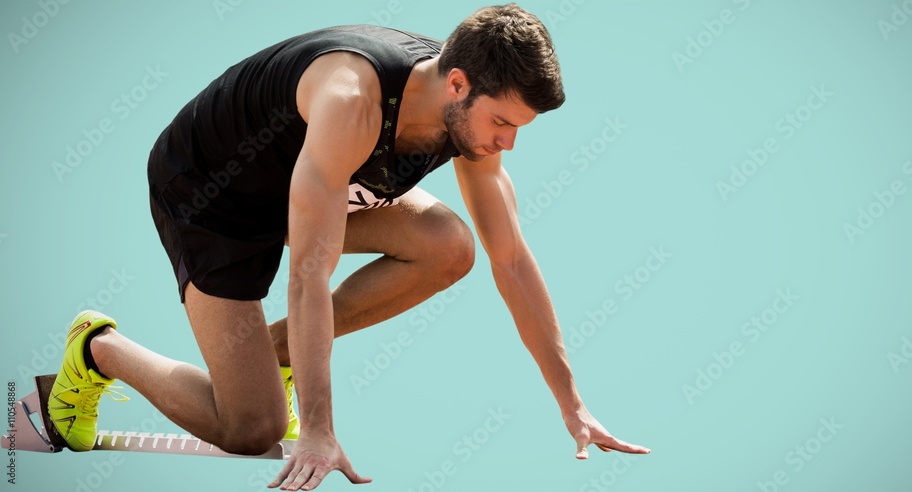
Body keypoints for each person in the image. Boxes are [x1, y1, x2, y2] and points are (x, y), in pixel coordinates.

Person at [46, 4, 649, 491]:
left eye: (519, 128)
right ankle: (98, 349)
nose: (509, 143)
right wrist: (316, 431)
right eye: (503, 123)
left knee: (449, 246)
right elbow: (310, 273)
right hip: (210, 196)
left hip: (305, 188)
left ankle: (273, 355)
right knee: (251, 429)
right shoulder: (352, 101)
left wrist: (573, 406)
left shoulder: (465, 120)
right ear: (457, 84)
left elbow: (511, 262)